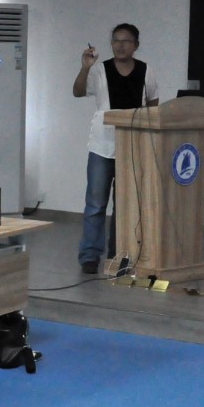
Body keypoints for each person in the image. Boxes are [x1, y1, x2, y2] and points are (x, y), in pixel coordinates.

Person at [72, 23, 158, 274]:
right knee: (95, 204)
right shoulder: (100, 69)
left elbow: (153, 106)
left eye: (126, 40)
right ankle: (90, 255)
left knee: (125, 205)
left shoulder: (146, 71)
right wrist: (85, 67)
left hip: (132, 147)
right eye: (116, 40)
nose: (120, 45)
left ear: (136, 45)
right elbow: (78, 92)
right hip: (102, 146)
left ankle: (118, 254)